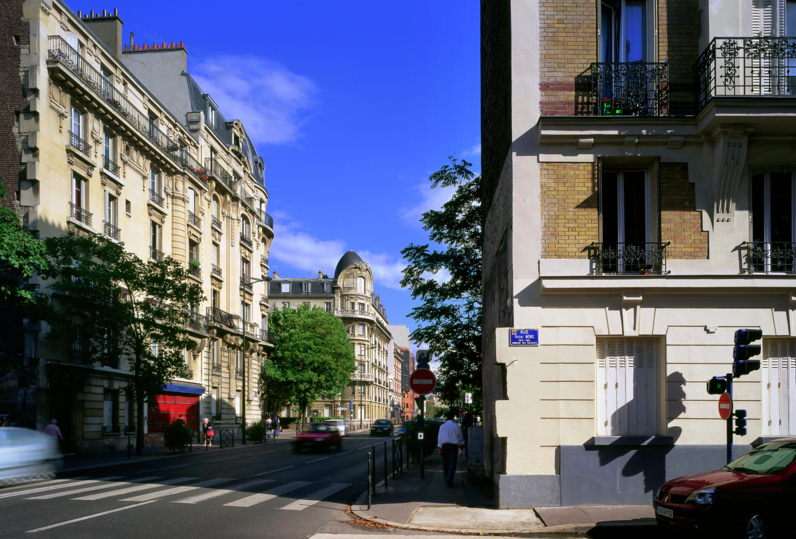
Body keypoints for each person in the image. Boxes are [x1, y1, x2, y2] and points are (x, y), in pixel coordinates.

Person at [437, 409, 464, 488]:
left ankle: (447, 478)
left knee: (445, 464)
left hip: (445, 446)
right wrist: (461, 444)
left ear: (446, 417)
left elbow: (440, 438)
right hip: (453, 447)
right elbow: (460, 437)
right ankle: (449, 480)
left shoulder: (442, 426)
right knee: (452, 464)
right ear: (453, 417)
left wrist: (440, 448)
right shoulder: (456, 426)